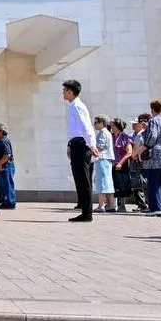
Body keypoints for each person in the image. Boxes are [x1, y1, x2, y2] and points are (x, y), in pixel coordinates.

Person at [63, 80, 97, 222]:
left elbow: (85, 127)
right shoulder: (74, 106)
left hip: (82, 145)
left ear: (71, 92)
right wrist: (70, 144)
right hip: (77, 144)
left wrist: (91, 145)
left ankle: (87, 213)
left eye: (65, 90)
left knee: (83, 180)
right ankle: (84, 210)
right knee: (79, 179)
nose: (63, 93)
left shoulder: (77, 106)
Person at [91, 116, 115, 213]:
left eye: (96, 122)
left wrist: (92, 151)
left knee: (101, 182)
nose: (95, 124)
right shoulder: (107, 133)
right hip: (107, 159)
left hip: (102, 158)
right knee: (108, 182)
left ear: (101, 123)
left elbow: (100, 146)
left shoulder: (102, 133)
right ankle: (111, 205)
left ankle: (101, 205)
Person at [109, 119, 133, 212]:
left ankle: (122, 205)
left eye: (113, 125)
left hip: (121, 164)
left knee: (122, 185)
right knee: (112, 184)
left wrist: (120, 163)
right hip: (111, 164)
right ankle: (111, 204)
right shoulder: (110, 136)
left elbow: (129, 152)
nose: (111, 127)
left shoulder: (125, 137)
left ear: (118, 126)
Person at [0, 123, 15, 209]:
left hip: (6, 165)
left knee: (7, 184)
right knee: (3, 185)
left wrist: (0, 163)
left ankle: (10, 203)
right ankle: (5, 202)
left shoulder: (4, 140)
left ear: (1, 131)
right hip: (2, 166)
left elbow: (7, 154)